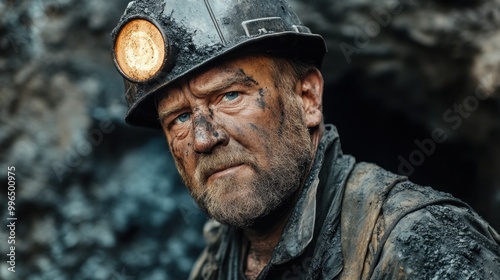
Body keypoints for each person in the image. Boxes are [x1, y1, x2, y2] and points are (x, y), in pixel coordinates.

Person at [111, 0, 500, 279]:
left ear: (308, 98)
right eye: (179, 118)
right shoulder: (222, 256)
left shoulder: (417, 242)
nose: (203, 139)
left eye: (229, 96)